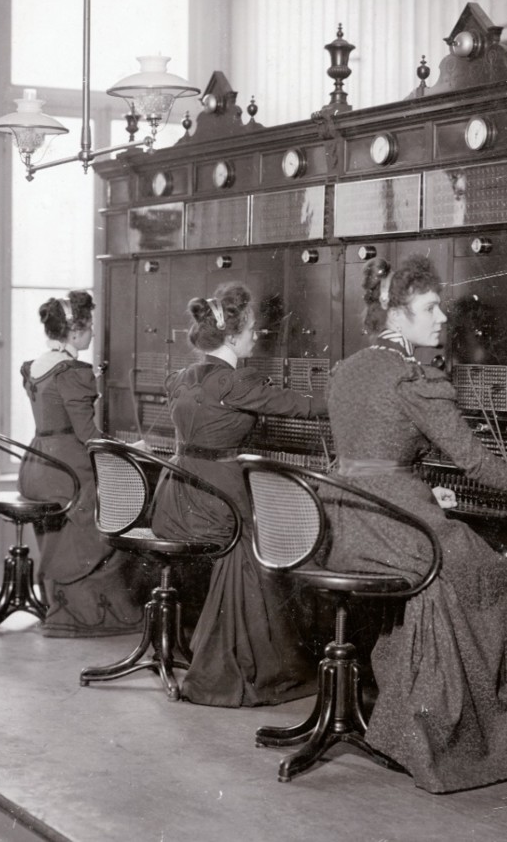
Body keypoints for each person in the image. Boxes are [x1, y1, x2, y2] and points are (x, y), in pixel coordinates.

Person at [324, 255, 507, 793]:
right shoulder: (415, 378)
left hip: (347, 521)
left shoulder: (347, 369)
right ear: (397, 315)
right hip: (396, 523)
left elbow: (368, 452)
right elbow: (477, 463)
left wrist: (416, 485)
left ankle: (408, 717)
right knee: (495, 578)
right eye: (429, 307)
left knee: (456, 576)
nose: (442, 317)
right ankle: (478, 733)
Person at [152, 282, 326, 707]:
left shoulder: (181, 377)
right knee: (259, 544)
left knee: (255, 535)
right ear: (231, 336)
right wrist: (349, 397)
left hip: (172, 499)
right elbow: (298, 406)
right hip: (215, 499)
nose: (256, 336)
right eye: (251, 329)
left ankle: (234, 654)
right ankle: (237, 668)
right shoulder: (233, 383)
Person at [18, 291, 146, 637]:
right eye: (89, 328)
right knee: (120, 515)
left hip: (37, 464)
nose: (92, 335)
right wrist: (132, 447)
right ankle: (89, 615)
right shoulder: (74, 371)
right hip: (67, 470)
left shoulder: (36, 366)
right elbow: (88, 434)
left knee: (74, 530)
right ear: (75, 332)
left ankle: (63, 607)